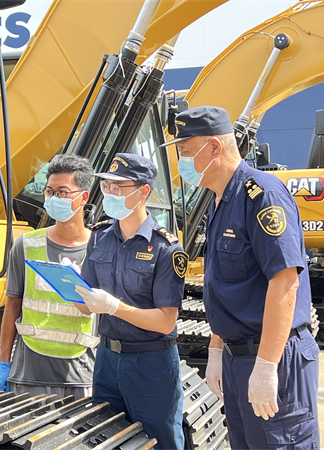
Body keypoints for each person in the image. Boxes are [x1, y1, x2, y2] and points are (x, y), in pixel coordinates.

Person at [165, 105, 319, 449]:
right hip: (237, 358)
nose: (181, 162)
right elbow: (226, 289)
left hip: (271, 357)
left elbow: (285, 282)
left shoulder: (261, 194)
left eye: (185, 152)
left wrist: (266, 366)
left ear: (214, 148)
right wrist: (217, 351)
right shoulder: (219, 200)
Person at [74, 153, 186, 450]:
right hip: (108, 360)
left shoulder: (166, 248)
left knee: (158, 441)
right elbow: (86, 304)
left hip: (151, 362)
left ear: (144, 191)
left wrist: (114, 307)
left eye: (118, 187)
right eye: (106, 187)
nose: (109, 194)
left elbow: (165, 321)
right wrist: (70, 288)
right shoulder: (98, 237)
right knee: (106, 439)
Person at [0, 154, 97, 399]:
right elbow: (12, 306)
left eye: (62, 192)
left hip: (79, 375)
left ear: (83, 197)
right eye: (49, 192)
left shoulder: (100, 248)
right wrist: (4, 363)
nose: (54, 199)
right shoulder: (26, 245)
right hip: (30, 373)